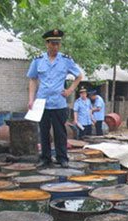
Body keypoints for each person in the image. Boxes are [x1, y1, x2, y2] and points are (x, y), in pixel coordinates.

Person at [27, 29, 82, 168]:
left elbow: (79, 76)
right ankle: (45, 158)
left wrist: (70, 90)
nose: (56, 47)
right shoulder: (38, 60)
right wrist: (30, 99)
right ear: (47, 44)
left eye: (58, 44)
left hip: (59, 103)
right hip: (42, 103)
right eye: (53, 44)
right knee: (44, 132)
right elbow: (33, 80)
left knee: (60, 132)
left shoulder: (66, 60)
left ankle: (62, 158)